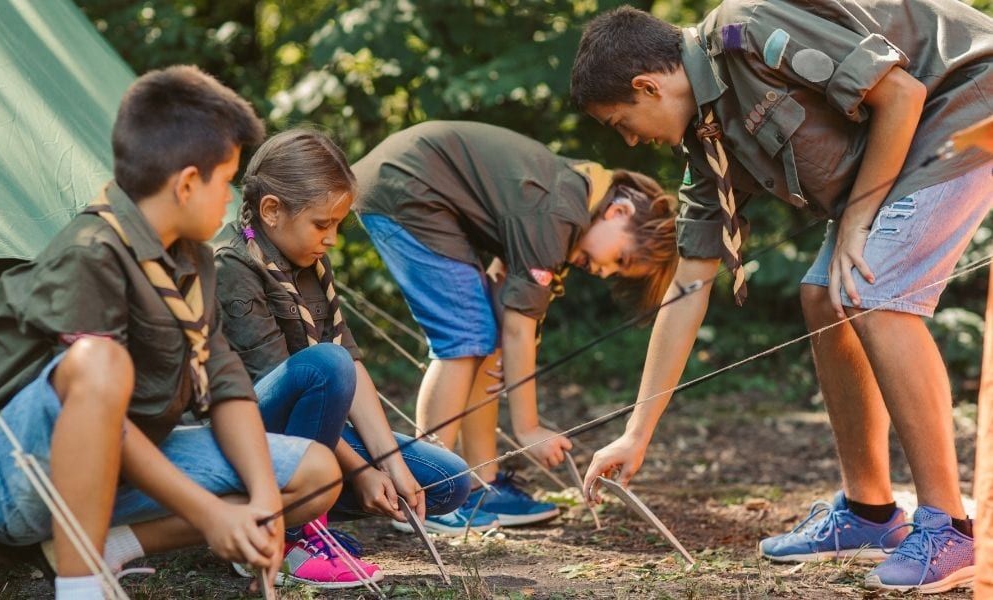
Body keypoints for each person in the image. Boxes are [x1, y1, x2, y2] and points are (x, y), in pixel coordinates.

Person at [571, 2, 993, 593]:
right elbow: (689, 284)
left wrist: (858, 219)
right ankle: (870, 511)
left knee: (875, 288)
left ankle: (950, 529)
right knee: (822, 296)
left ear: (647, 85)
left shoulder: (745, 31)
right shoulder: (707, 145)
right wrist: (636, 432)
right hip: (911, 133)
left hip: (968, 93)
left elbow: (899, 95)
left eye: (621, 122)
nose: (631, 142)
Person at [0, 66, 340, 600]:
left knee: (317, 473)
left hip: (126, 471)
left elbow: (225, 384)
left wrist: (265, 501)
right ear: (187, 184)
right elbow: (97, 402)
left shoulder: (193, 257)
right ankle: (80, 589)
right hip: (20, 482)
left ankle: (111, 545)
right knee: (99, 362)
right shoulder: (90, 253)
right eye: (226, 181)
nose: (231, 199)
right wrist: (209, 514)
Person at [352, 120, 679, 529]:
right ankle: (425, 492)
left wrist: (508, 346)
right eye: (621, 259)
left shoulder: (576, 198)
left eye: (617, 272)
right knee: (464, 337)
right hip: (405, 188)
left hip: (419, 189)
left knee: (484, 336)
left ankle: (478, 484)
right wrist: (528, 429)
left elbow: (512, 311)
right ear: (619, 211)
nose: (605, 271)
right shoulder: (561, 209)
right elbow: (519, 327)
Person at [213, 128, 479, 584]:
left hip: (308, 431)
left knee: (446, 479)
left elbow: (350, 361)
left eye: (338, 224)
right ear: (272, 210)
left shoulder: (309, 260)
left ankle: (310, 511)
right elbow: (292, 385)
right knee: (325, 366)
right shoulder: (231, 267)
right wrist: (359, 471)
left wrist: (391, 465)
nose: (332, 239)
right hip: (244, 435)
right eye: (323, 224)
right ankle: (288, 532)